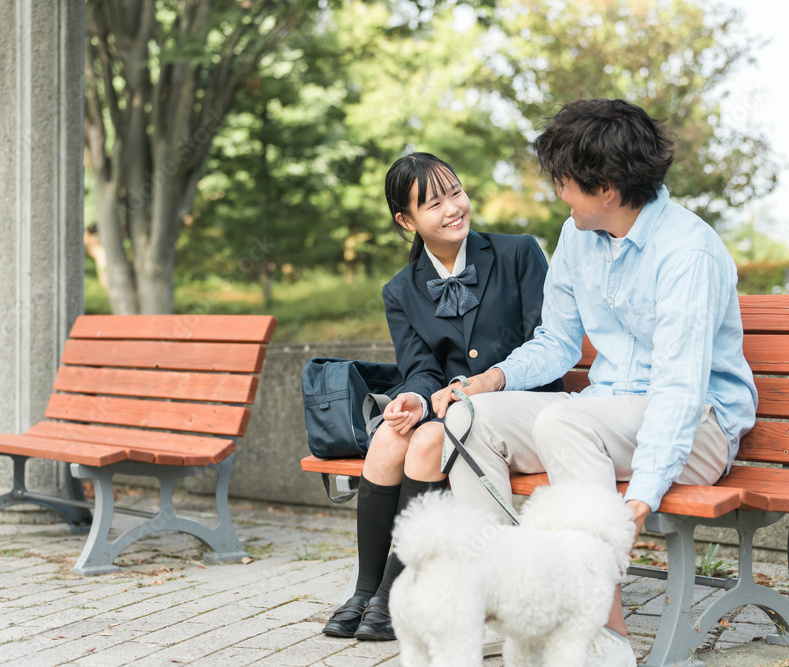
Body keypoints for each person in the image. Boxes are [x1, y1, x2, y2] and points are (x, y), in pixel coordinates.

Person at [431, 99, 758, 666]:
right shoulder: (577, 235)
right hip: (602, 417)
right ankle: (512, 604)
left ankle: (604, 636)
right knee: (467, 418)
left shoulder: (687, 252)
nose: (560, 194)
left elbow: (679, 392)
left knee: (565, 419)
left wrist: (641, 497)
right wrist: (494, 378)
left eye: (565, 182)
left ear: (605, 186)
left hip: (696, 430)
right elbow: (557, 341)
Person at [323, 152, 562, 641]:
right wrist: (411, 396)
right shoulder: (401, 290)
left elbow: (545, 342)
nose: (453, 208)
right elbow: (420, 368)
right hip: (447, 412)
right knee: (392, 437)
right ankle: (364, 589)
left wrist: (476, 386)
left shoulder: (518, 252)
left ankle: (394, 590)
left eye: (455, 192)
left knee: (430, 440)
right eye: (434, 203)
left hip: (517, 408)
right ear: (406, 221)